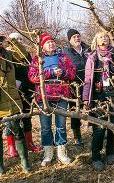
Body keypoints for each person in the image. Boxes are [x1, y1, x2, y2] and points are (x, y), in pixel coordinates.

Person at [28, 32, 76, 166]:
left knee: (61, 125)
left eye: (52, 41)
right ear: (42, 46)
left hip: (61, 95)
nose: (51, 44)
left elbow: (72, 72)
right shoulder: (37, 59)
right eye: (48, 42)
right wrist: (50, 73)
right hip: (44, 97)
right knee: (45, 127)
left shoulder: (63, 57)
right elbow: (32, 77)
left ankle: (61, 152)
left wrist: (64, 73)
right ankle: (48, 153)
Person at [82, 31, 114, 171]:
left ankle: (110, 153)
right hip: (98, 96)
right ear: (96, 40)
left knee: (113, 127)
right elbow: (88, 79)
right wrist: (85, 98)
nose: (104, 39)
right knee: (99, 129)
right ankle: (96, 157)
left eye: (106, 36)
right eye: (101, 37)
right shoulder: (92, 58)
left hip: (113, 94)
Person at [5, 32, 41, 158]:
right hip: (12, 92)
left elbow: (31, 70)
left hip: (27, 90)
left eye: (20, 39)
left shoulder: (25, 55)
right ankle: (11, 146)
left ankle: (29, 142)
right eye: (15, 39)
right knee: (10, 120)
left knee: (27, 116)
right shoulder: (6, 55)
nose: (19, 41)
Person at [0, 35, 31, 175]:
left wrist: (11, 40)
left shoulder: (9, 54)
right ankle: (0, 166)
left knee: (18, 131)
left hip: (12, 99)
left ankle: (25, 162)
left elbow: (24, 56)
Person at [63, 29, 90, 146]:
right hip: (74, 86)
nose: (77, 38)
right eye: (74, 37)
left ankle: (96, 129)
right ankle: (77, 136)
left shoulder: (88, 49)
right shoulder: (66, 52)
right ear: (69, 40)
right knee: (75, 110)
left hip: (89, 84)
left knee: (92, 107)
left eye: (78, 36)